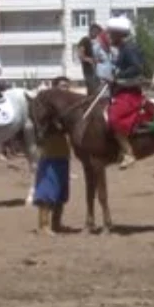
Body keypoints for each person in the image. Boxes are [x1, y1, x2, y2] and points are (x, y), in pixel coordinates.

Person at [105, 15, 153, 169]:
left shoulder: (129, 48)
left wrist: (118, 77)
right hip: (121, 92)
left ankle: (128, 152)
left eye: (111, 33)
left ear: (119, 34)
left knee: (113, 118)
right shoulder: (122, 49)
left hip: (130, 94)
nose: (109, 36)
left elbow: (137, 68)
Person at [33, 77, 73, 234]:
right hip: (50, 153)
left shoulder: (67, 108)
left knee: (61, 191)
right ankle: (43, 225)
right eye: (62, 86)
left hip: (63, 152)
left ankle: (56, 224)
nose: (66, 90)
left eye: (67, 87)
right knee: (48, 189)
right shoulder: (47, 108)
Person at [77, 23, 102, 92]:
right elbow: (80, 55)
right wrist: (90, 60)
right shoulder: (85, 40)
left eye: (98, 32)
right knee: (92, 88)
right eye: (96, 32)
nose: (97, 34)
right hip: (89, 70)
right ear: (91, 31)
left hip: (97, 70)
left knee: (98, 88)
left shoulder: (96, 42)